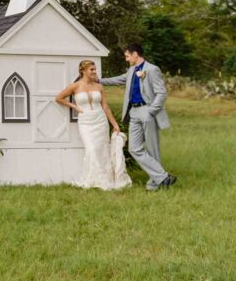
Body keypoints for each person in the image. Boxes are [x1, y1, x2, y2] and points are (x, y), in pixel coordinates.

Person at [99, 43, 178, 191]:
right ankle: (163, 177)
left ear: (135, 54)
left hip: (147, 111)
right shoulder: (131, 71)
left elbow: (161, 93)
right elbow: (117, 80)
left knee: (152, 149)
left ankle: (154, 185)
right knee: (134, 148)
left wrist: (151, 111)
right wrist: (97, 81)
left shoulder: (152, 69)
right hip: (133, 113)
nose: (127, 59)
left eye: (127, 56)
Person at [56, 60, 131, 190]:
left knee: (102, 150)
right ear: (83, 71)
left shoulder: (99, 87)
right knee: (91, 149)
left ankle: (104, 179)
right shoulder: (75, 86)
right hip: (85, 121)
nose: (95, 72)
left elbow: (105, 107)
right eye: (92, 69)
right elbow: (59, 98)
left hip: (100, 120)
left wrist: (114, 124)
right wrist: (74, 106)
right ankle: (92, 178)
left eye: (95, 69)